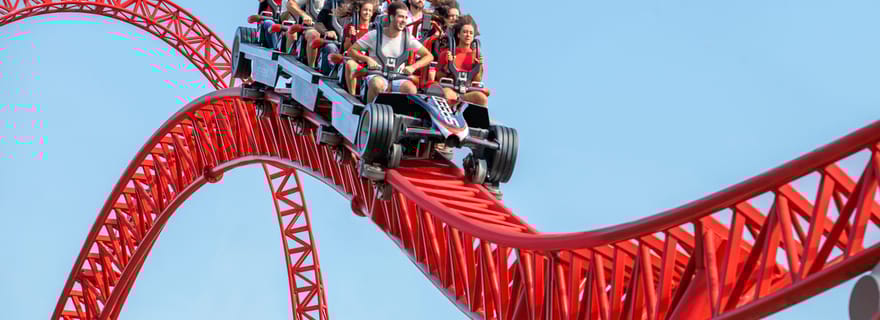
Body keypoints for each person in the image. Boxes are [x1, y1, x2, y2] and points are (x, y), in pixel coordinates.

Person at [347, 1, 433, 103]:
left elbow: (429, 56)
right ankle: (369, 111)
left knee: (411, 90)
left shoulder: (408, 38)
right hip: (376, 75)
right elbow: (351, 51)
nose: (404, 21)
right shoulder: (374, 35)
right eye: (401, 17)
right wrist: (367, 59)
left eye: (406, 17)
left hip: (398, 77)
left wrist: (413, 67)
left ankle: (399, 117)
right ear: (391, 17)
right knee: (377, 84)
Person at [435, 15, 488, 106]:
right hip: (450, 89)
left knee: (481, 98)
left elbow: (477, 81)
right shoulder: (447, 53)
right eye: (465, 32)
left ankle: (474, 119)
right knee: (449, 95)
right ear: (459, 35)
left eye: (471, 33)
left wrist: (478, 67)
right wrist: (447, 67)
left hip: (466, 92)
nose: (468, 35)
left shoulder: (476, 55)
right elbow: (437, 76)